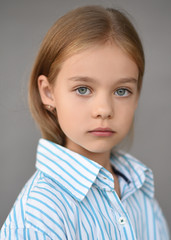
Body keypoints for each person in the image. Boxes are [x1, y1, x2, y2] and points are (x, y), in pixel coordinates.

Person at [0, 5, 169, 240]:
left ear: (137, 95)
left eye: (122, 91)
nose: (104, 110)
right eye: (83, 89)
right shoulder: (38, 217)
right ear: (48, 93)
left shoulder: (138, 189)